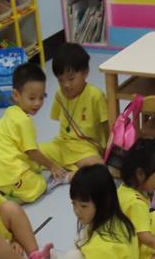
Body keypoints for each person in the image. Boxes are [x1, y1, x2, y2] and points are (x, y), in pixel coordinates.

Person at [40, 164, 139, 259]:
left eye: (83, 206)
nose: (77, 211)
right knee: (80, 240)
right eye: (73, 204)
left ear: (103, 202)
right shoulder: (115, 218)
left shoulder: (102, 246)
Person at [0, 62, 68, 203]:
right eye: (32, 98)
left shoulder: (10, 111)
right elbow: (32, 153)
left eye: (41, 97)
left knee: (35, 167)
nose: (38, 103)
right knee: (39, 185)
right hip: (10, 175)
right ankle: (12, 197)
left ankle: (5, 189)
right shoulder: (24, 121)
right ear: (16, 95)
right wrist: (52, 166)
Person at [39, 42, 109, 171]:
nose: (66, 85)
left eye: (71, 79)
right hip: (61, 146)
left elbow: (107, 125)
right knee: (29, 153)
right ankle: (74, 169)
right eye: (60, 80)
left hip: (86, 149)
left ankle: (71, 173)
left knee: (98, 168)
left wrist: (108, 151)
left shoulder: (95, 96)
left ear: (85, 72)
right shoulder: (59, 94)